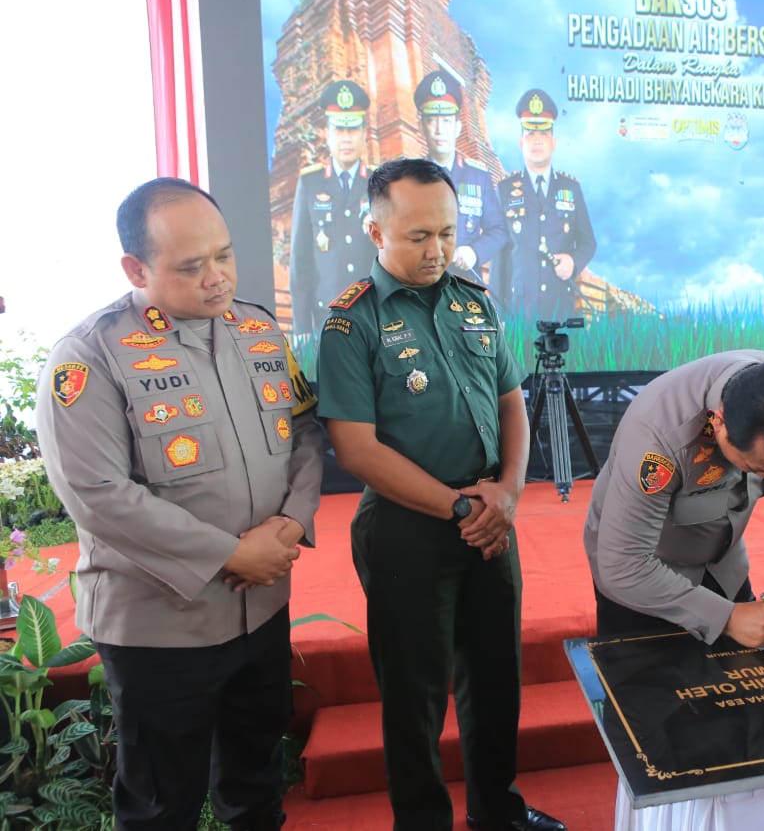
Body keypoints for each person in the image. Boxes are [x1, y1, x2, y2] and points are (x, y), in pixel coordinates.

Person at [35, 177, 324, 830]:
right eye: (193, 266)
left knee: (257, 786)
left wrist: (291, 521)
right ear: (135, 268)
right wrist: (230, 553)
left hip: (262, 614)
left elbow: (304, 431)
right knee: (162, 804)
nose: (217, 278)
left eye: (224, 255)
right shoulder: (90, 355)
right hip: (161, 627)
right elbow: (97, 493)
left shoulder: (258, 328)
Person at [315, 158, 563, 831]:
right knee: (415, 692)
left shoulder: (472, 300)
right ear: (375, 229)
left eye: (448, 234)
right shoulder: (349, 324)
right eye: (418, 235)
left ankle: (496, 811)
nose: (438, 250)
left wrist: (507, 493)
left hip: (490, 516)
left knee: (495, 678)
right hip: (407, 528)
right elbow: (357, 448)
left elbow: (513, 401)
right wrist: (462, 508)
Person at [585, 351, 764, 647]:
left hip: (724, 564)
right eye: (755, 468)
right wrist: (725, 617)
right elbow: (624, 564)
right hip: (647, 580)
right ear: (720, 422)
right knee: (648, 685)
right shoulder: (658, 441)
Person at [496, 88, 596, 322]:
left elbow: (588, 242)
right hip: (519, 312)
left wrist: (573, 262)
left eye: (543, 133)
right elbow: (500, 255)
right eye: (530, 133)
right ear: (521, 142)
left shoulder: (570, 189)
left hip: (560, 309)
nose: (537, 140)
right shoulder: (505, 189)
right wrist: (497, 313)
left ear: (554, 142)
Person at [289, 79, 376, 346]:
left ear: (364, 133)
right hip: (325, 317)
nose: (346, 138)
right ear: (327, 133)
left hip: (372, 316)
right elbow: (300, 259)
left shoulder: (379, 182)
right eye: (339, 129)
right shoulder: (310, 183)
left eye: (353, 129)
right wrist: (302, 326)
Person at [415, 68, 508, 287]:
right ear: (422, 126)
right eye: (432, 121)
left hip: (465, 287)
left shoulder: (478, 176)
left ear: (457, 127)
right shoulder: (408, 179)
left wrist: (474, 252)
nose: (439, 130)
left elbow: (499, 230)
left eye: (446, 121)